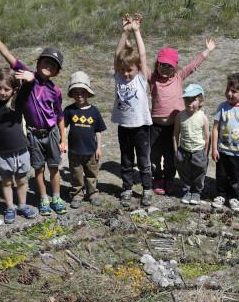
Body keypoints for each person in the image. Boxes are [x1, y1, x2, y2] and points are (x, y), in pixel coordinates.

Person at [0, 16, 67, 215]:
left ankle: (56, 196)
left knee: (54, 167)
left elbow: (60, 115)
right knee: (37, 168)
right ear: (38, 63)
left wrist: (64, 139)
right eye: (46, 61)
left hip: (52, 132)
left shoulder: (56, 91)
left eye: (53, 65)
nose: (49, 65)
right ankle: (43, 199)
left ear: (57, 71)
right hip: (33, 133)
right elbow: (8, 57)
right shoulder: (26, 75)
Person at [149, 37, 216, 196]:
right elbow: (141, 59)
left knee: (172, 155)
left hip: (174, 126)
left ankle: (170, 179)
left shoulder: (178, 77)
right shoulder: (153, 79)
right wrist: (134, 34)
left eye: (169, 66)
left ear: (175, 67)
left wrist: (207, 50)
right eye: (162, 65)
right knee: (155, 155)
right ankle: (158, 178)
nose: (165, 69)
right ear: (157, 64)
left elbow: (193, 65)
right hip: (156, 127)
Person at [0, 67, 39, 224]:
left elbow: (28, 88)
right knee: (6, 181)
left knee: (22, 180)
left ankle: (22, 205)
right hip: (3, 152)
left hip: (21, 150)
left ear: (14, 90)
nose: (2, 92)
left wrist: (31, 78)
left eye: (6, 89)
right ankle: (10, 207)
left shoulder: (17, 101)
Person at [113, 13, 155, 207]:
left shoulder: (141, 78)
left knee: (144, 161)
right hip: (124, 126)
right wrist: (124, 32)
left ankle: (147, 189)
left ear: (138, 68)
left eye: (129, 70)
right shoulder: (119, 78)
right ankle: (127, 188)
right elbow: (117, 55)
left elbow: (142, 54)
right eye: (123, 70)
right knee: (126, 159)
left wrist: (136, 31)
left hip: (141, 127)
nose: (126, 73)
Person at [211, 73, 239, 211]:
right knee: (221, 175)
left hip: (238, 152)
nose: (229, 93)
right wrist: (214, 148)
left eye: (234, 91)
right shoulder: (222, 107)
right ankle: (220, 195)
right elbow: (215, 128)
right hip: (223, 150)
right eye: (228, 90)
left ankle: (233, 197)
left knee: (236, 177)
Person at [64, 71, 106, 207]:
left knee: (92, 173)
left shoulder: (94, 111)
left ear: (88, 93)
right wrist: (63, 142)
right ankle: (77, 194)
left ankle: (92, 193)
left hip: (91, 151)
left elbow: (98, 131)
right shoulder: (69, 110)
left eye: (82, 92)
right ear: (72, 94)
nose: (79, 95)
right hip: (74, 151)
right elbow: (63, 127)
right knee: (76, 174)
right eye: (76, 92)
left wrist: (99, 147)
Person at [173, 83, 210, 204]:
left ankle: (196, 192)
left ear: (201, 102)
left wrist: (204, 153)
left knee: (199, 172)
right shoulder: (180, 116)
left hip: (198, 151)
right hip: (183, 150)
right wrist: (176, 151)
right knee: (184, 172)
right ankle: (187, 190)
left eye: (193, 100)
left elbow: (206, 136)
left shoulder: (202, 117)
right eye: (187, 99)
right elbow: (175, 134)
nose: (189, 103)